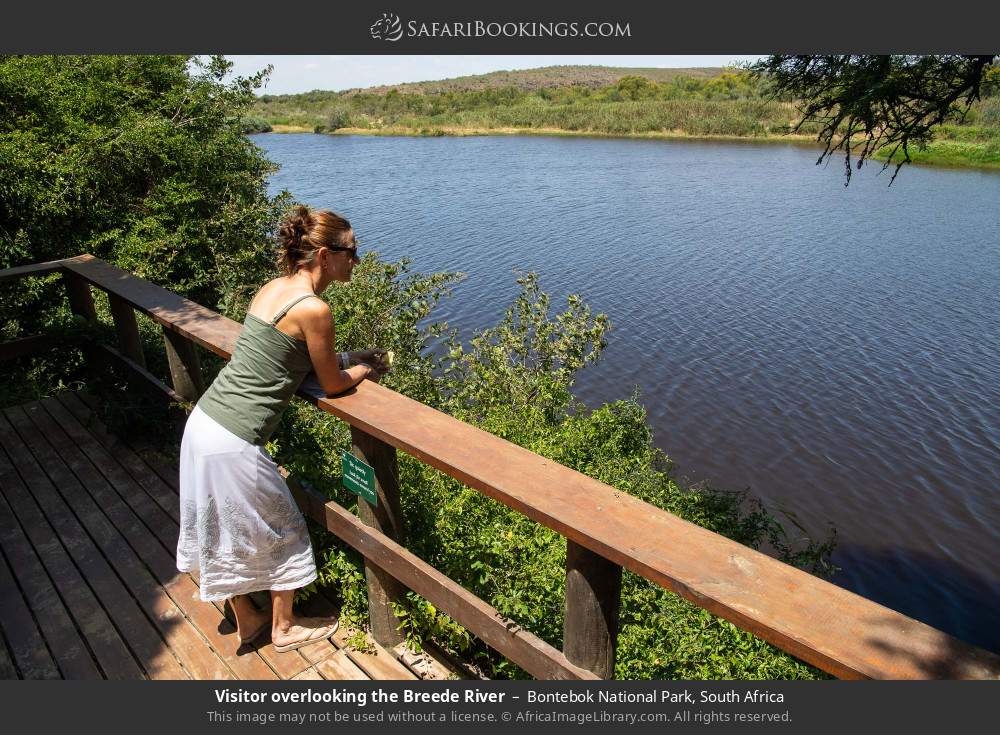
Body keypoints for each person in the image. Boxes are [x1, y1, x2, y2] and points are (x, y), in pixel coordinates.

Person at [175, 204, 388, 652]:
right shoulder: (314, 308)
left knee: (220, 530)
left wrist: (352, 357)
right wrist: (365, 371)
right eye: (352, 250)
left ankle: (249, 619)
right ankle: (284, 628)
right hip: (233, 441)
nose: (357, 259)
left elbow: (289, 361)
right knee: (284, 528)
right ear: (325, 255)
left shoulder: (274, 289)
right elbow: (330, 383)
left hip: (205, 424)